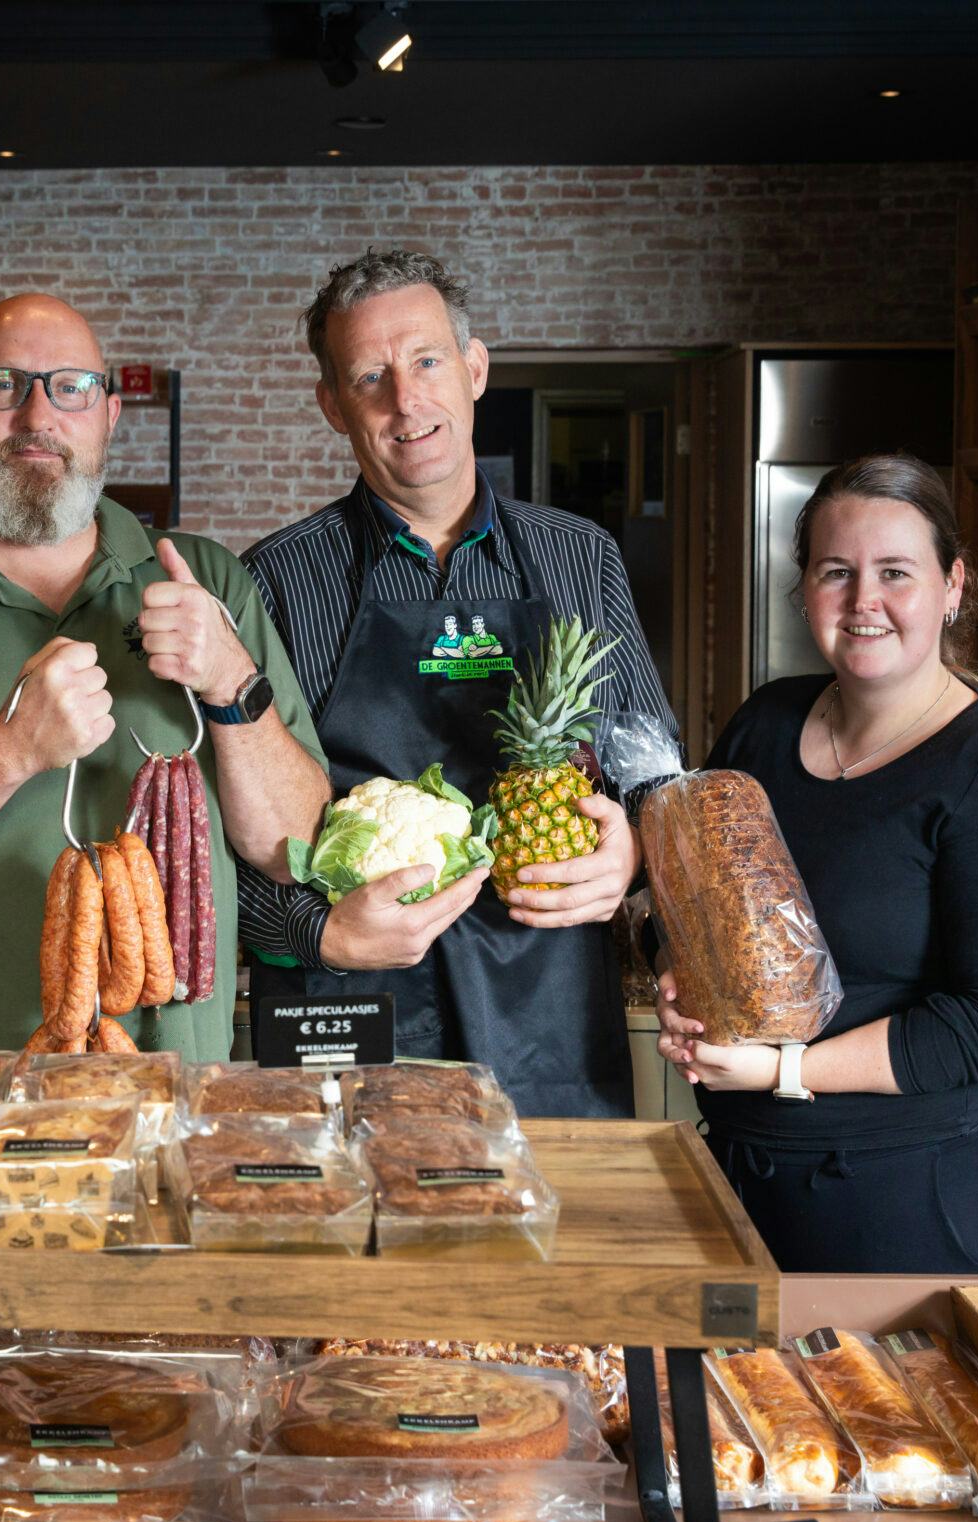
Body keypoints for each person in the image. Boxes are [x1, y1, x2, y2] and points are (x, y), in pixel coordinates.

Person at [0, 294, 330, 1052]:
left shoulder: (207, 580)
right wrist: (9, 749)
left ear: (111, 414)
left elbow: (294, 843)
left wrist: (234, 683)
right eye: (2, 384)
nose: (38, 416)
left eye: (70, 386)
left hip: (170, 1090)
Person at [241, 249, 677, 1117]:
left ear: (474, 370)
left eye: (428, 361)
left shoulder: (580, 558)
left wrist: (633, 851)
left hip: (549, 1012)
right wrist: (318, 931)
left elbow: (656, 771)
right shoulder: (275, 582)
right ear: (334, 405)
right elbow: (222, 840)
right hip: (349, 1015)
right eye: (371, 375)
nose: (407, 400)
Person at [655, 453, 978, 1273]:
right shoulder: (765, 724)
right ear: (804, 587)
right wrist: (678, 976)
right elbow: (692, 901)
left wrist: (784, 1068)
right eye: (836, 572)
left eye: (896, 572)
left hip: (924, 1206)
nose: (864, 602)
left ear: (953, 586)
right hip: (748, 1187)